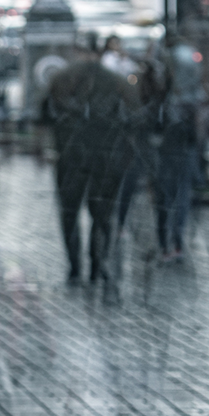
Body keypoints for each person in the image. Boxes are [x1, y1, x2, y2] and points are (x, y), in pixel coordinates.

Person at [44, 43, 142, 288]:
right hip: (105, 157)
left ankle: (75, 268)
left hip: (71, 156)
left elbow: (44, 115)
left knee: (69, 213)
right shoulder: (118, 82)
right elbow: (134, 119)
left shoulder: (61, 79)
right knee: (102, 215)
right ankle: (97, 265)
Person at [153, 37, 206, 261]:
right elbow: (198, 129)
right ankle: (175, 243)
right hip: (182, 148)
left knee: (167, 197)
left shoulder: (167, 98)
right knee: (180, 196)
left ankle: (169, 244)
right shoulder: (192, 97)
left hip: (170, 149)